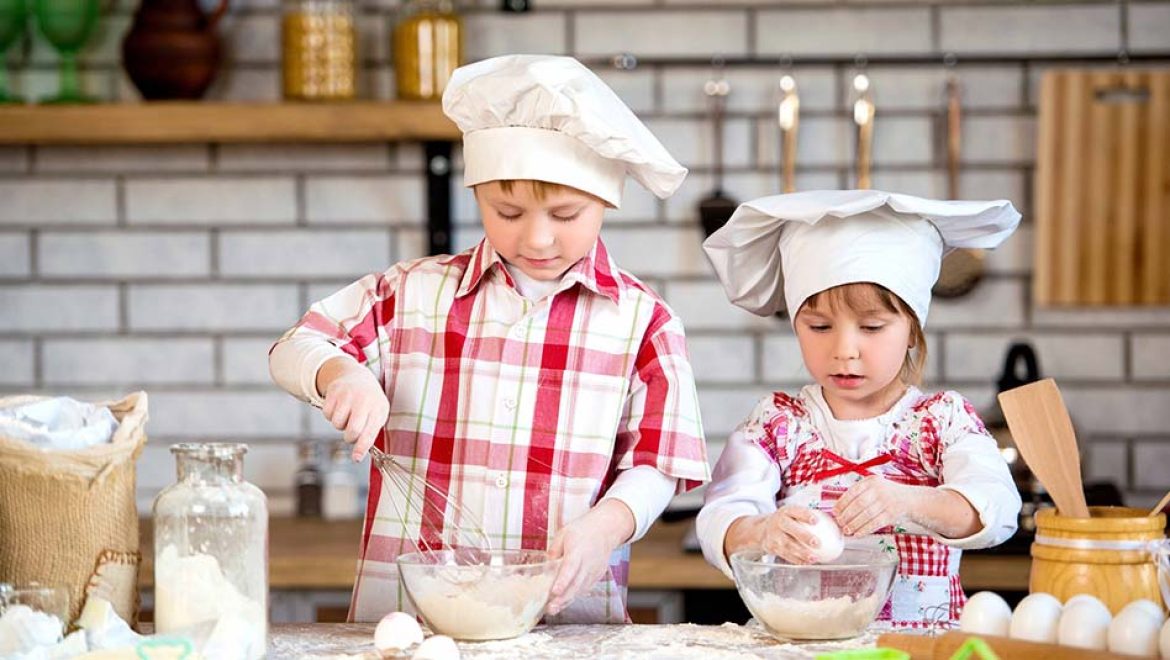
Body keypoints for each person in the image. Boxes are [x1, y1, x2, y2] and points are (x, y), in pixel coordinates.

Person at [268, 54, 709, 624]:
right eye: (508, 211)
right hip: (407, 623)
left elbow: (660, 463)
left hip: (564, 619)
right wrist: (340, 373)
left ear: (606, 201)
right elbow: (293, 348)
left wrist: (608, 525)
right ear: (477, 193)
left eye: (566, 213)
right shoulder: (411, 294)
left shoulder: (643, 322)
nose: (538, 236)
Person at [697, 190, 1023, 628]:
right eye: (819, 327)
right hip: (802, 647)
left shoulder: (941, 422)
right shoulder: (777, 425)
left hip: (918, 651)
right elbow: (722, 516)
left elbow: (997, 510)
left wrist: (910, 501)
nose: (844, 350)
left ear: (912, 331)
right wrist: (761, 531)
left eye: (871, 327)